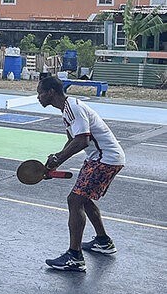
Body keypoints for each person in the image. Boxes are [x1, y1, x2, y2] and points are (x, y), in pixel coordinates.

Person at [36, 76, 124, 272]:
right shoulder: (67, 109)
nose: (38, 97)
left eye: (40, 93)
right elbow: (72, 141)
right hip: (99, 158)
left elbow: (82, 141)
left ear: (51, 92)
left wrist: (58, 159)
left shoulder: (73, 108)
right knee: (83, 199)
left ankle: (74, 257)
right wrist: (53, 164)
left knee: (75, 200)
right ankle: (103, 241)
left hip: (105, 158)